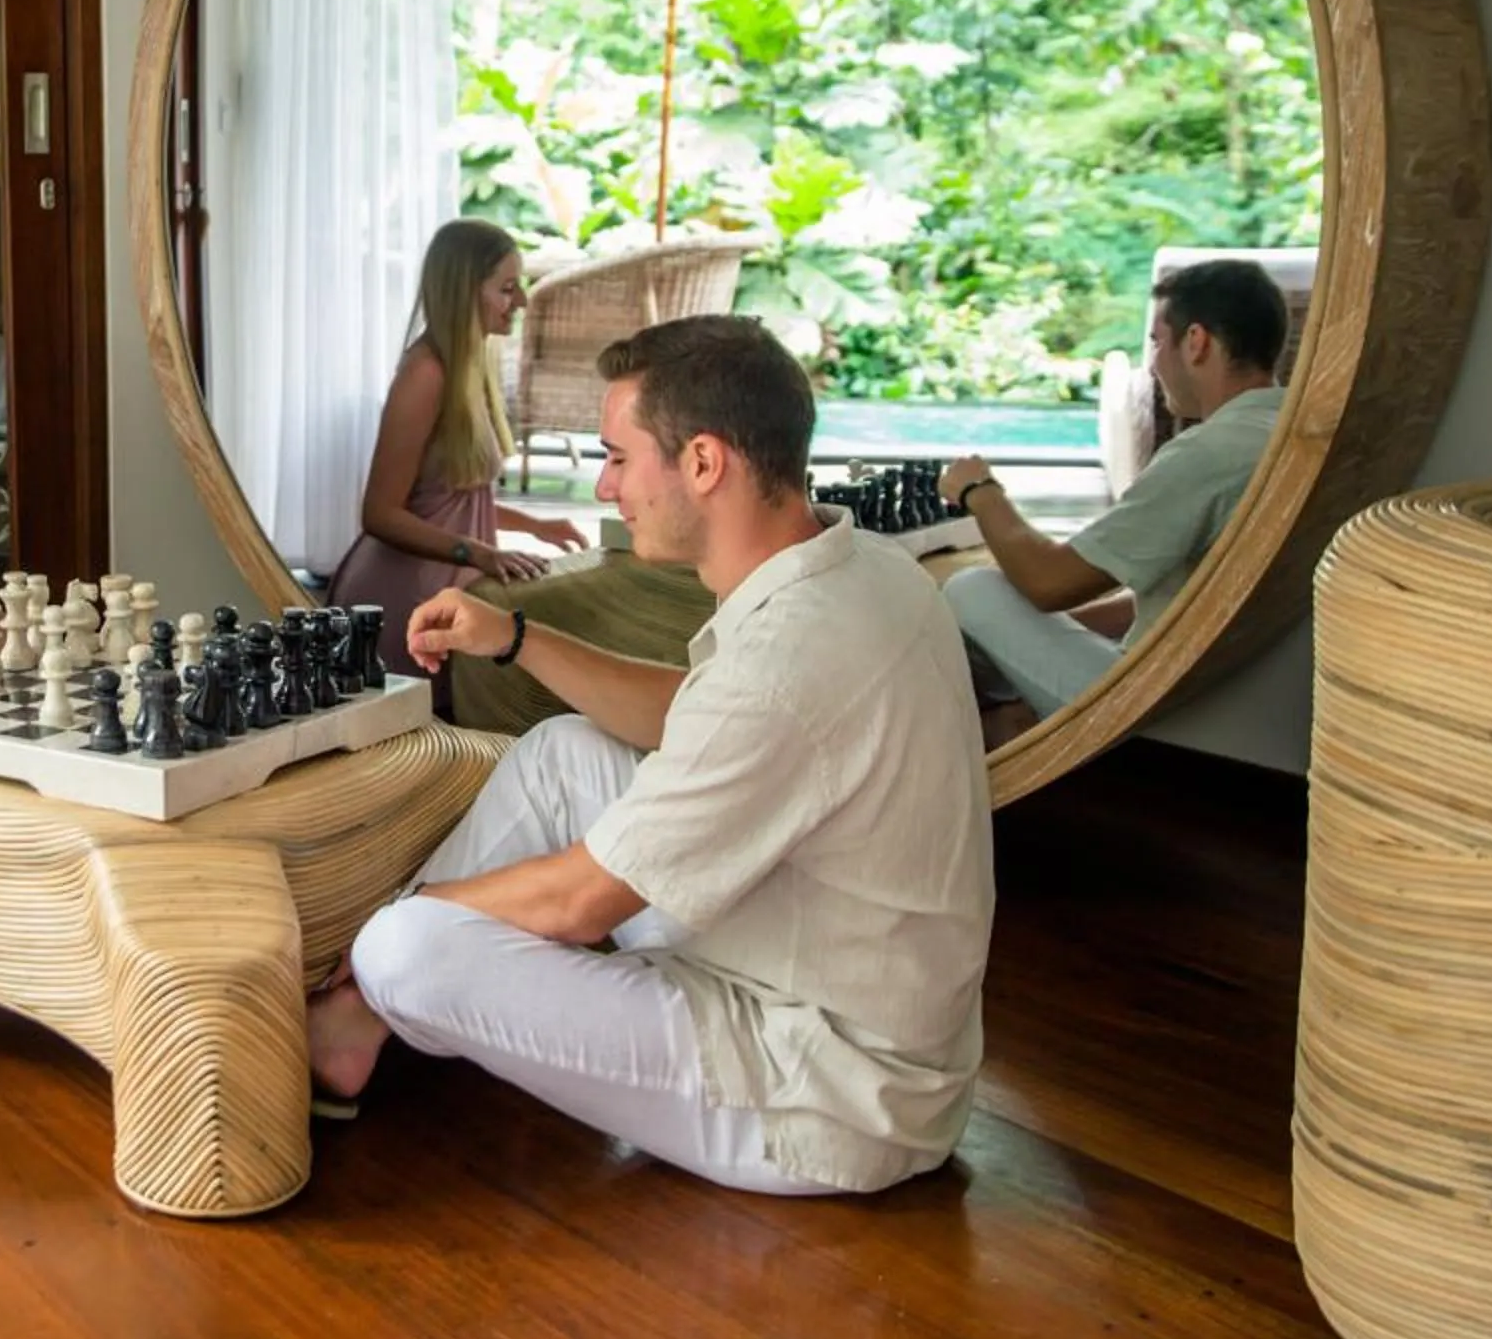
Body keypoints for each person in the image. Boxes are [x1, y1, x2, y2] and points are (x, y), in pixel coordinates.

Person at [309, 316, 992, 1196]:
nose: (604, 486)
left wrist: (389, 927)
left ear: (703, 463)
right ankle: (362, 1022)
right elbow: (694, 714)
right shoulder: (860, 569)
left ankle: (360, 1005)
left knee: (407, 947)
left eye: (619, 458)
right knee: (562, 750)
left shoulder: (791, 658)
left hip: (828, 1092)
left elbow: (580, 901)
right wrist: (515, 636)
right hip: (831, 968)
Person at [938, 258, 1289, 717]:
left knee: (971, 589)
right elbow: (1186, 598)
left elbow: (1050, 582)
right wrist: (1046, 635)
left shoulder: (1209, 453)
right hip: (1241, 692)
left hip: (1162, 707)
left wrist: (979, 491)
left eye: (1156, 342)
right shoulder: (1288, 431)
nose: (1155, 363)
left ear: (1196, 342)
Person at [326, 218, 587, 675]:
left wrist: (535, 525)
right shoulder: (426, 375)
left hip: (444, 592)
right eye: (508, 288)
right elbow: (380, 513)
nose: (522, 301)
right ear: (466, 290)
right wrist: (480, 552)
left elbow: (449, 499)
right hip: (403, 599)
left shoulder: (472, 364)